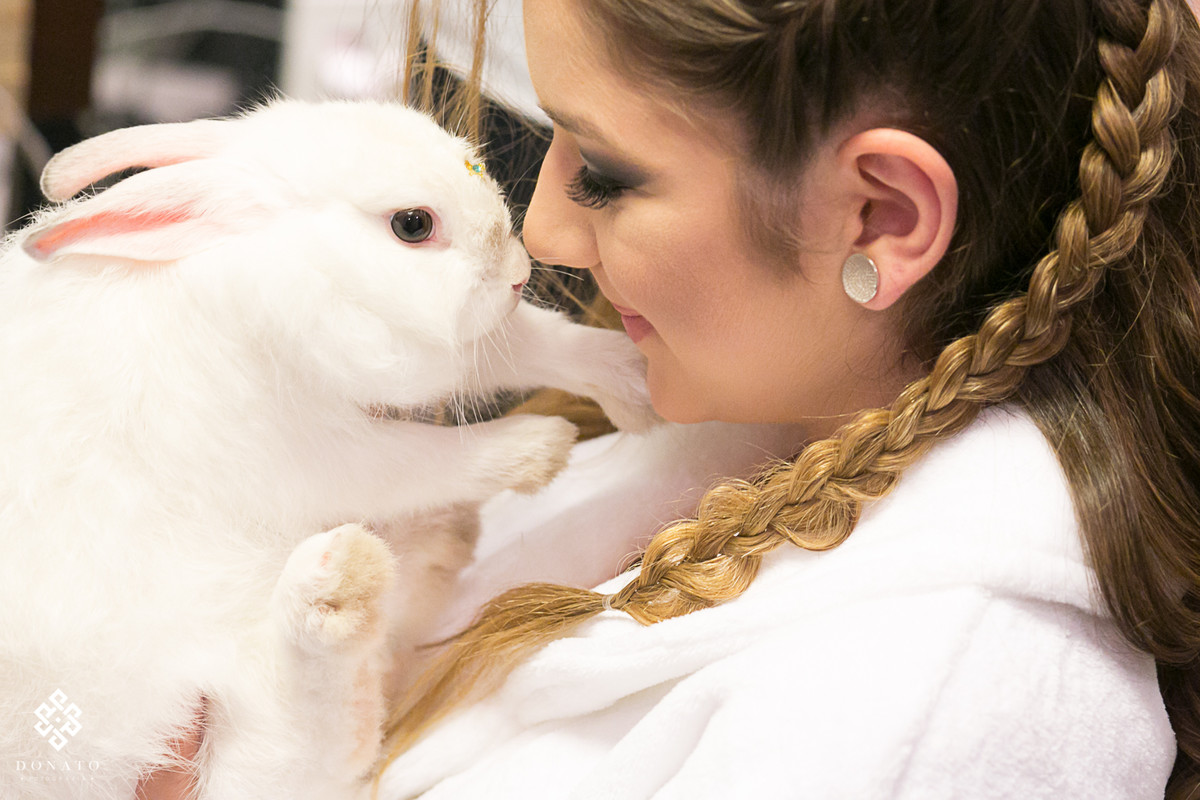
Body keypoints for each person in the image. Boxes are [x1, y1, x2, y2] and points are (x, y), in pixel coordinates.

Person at [144, 0, 1200, 796]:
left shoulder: (922, 716)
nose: (545, 233)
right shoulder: (722, 433)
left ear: (881, 213)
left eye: (604, 170)